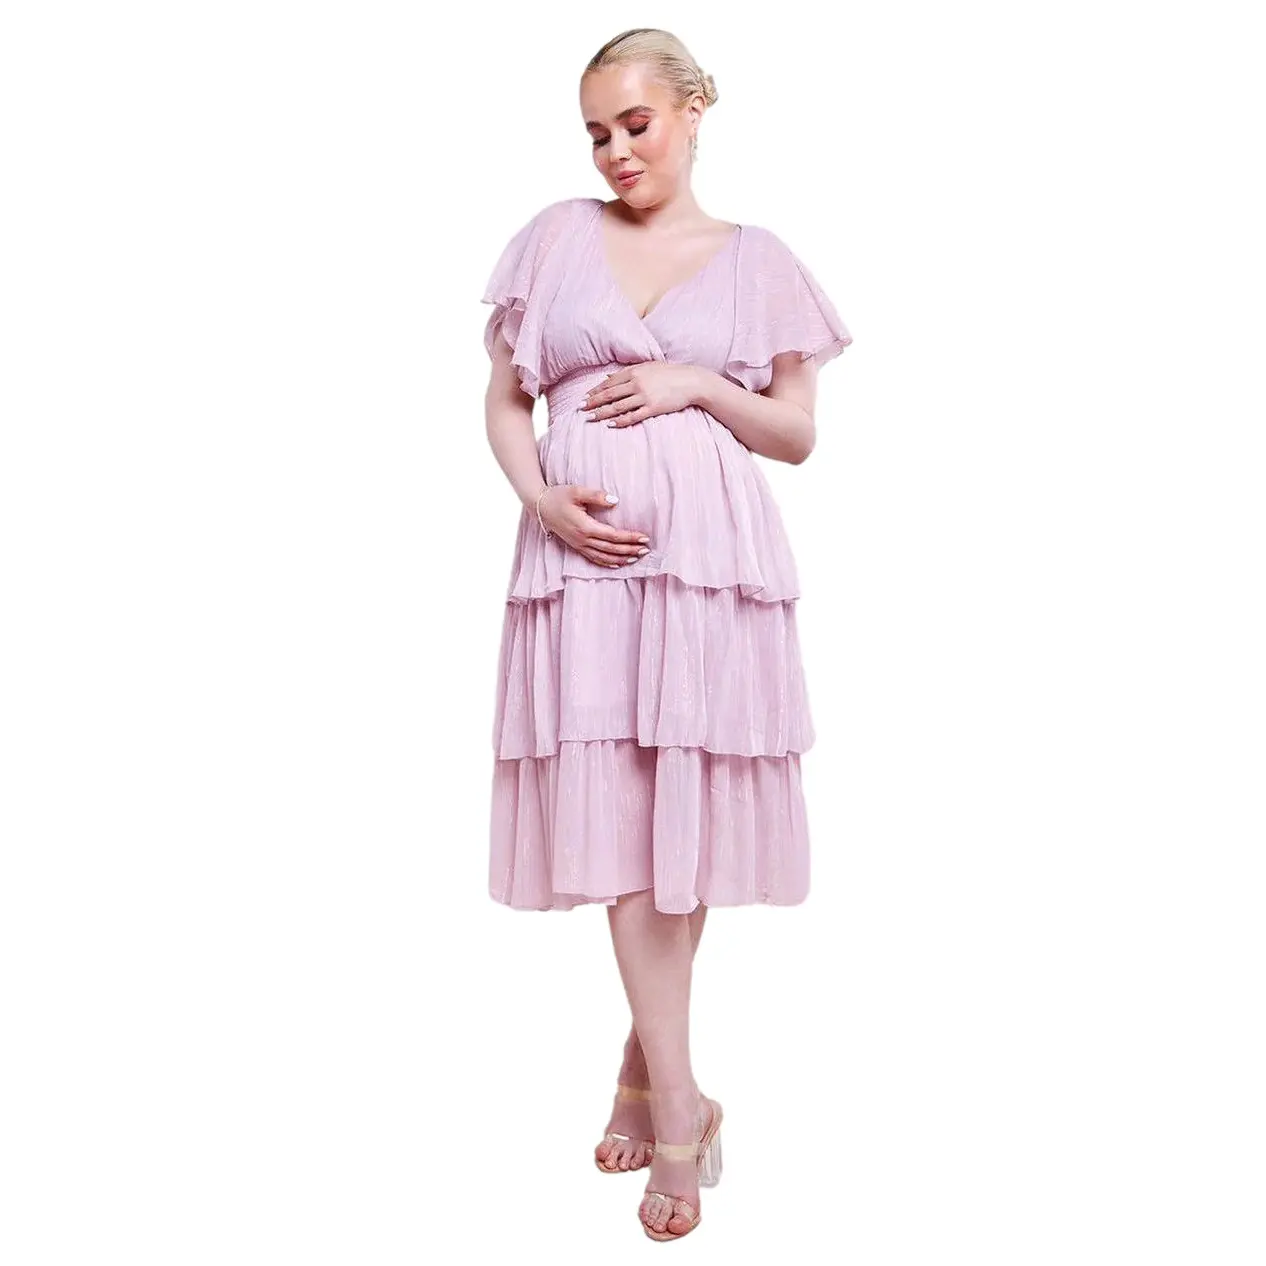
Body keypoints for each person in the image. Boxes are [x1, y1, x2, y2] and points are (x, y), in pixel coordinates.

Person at [479, 27, 853, 1243]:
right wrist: (541, 498)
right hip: (585, 564)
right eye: (597, 132)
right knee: (622, 827)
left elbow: (796, 435)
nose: (615, 151)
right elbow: (505, 400)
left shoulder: (758, 260)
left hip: (709, 570)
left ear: (694, 110)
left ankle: (653, 1082)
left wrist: (696, 385)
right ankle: (679, 1098)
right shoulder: (555, 236)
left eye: (635, 123)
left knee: (675, 824)